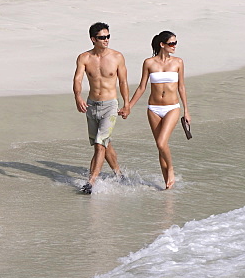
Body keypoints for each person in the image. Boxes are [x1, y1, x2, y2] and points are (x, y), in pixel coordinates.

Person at [127, 30, 190, 189]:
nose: (174, 46)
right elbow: (142, 87)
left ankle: (171, 169)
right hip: (153, 108)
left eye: (176, 43)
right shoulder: (149, 63)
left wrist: (186, 111)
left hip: (172, 108)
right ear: (162, 44)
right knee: (160, 147)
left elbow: (181, 87)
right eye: (171, 43)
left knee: (162, 143)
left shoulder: (178, 62)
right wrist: (129, 106)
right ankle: (167, 187)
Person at [73, 22, 130, 193]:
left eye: (108, 36)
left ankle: (91, 182)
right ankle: (119, 175)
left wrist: (127, 104)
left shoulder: (117, 57)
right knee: (104, 143)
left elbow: (123, 81)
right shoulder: (84, 58)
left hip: (110, 106)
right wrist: (77, 97)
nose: (106, 40)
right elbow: (77, 79)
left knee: (100, 144)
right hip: (91, 105)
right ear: (93, 39)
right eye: (102, 37)